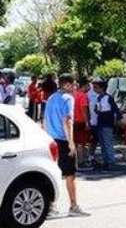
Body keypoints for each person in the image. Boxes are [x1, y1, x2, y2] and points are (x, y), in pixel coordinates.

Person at [43, 74, 89, 217]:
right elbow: (67, 120)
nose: (75, 87)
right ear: (67, 85)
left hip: (50, 139)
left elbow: (44, 119)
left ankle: (51, 206)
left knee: (51, 173)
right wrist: (71, 143)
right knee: (70, 174)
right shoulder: (68, 98)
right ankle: (73, 206)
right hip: (63, 140)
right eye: (73, 84)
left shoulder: (51, 98)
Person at [91, 79, 119, 170]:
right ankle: (106, 161)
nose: (94, 89)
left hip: (107, 123)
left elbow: (115, 111)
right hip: (100, 122)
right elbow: (97, 109)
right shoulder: (99, 98)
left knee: (107, 143)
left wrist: (115, 122)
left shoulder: (109, 98)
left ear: (102, 88)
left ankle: (111, 162)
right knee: (102, 143)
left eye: (96, 87)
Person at [73, 78, 92, 168]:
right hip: (81, 121)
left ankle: (77, 161)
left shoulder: (74, 94)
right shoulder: (83, 96)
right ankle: (81, 161)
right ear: (84, 86)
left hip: (74, 121)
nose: (89, 87)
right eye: (88, 85)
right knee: (82, 143)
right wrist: (87, 122)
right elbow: (84, 109)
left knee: (76, 143)